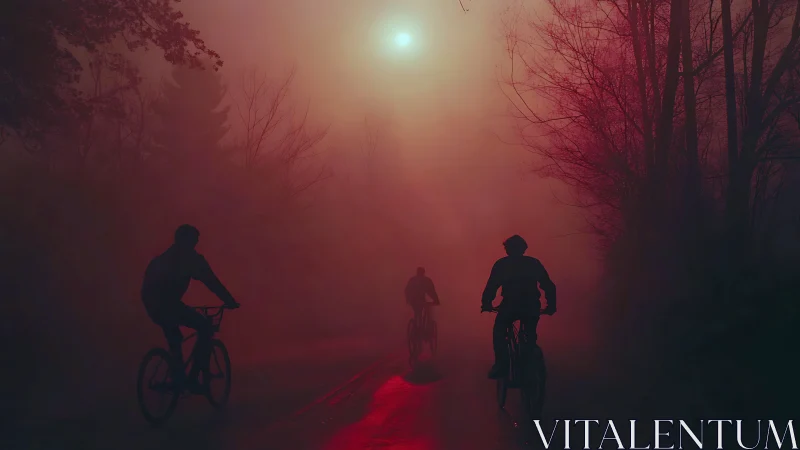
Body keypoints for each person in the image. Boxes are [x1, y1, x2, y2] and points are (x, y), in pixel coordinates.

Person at [141, 224, 240, 392]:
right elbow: (212, 282)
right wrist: (229, 301)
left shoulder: (164, 258)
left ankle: (178, 376)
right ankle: (192, 379)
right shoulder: (191, 259)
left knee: (174, 336)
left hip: (153, 304)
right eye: (194, 241)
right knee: (205, 327)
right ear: (188, 241)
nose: (195, 244)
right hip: (167, 304)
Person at [481, 235, 556, 379]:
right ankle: (531, 361)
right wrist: (551, 305)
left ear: (507, 249)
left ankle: (500, 365)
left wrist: (486, 303)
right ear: (524, 248)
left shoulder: (502, 264)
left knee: (499, 332)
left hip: (510, 305)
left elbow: (492, 286)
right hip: (531, 306)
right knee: (530, 335)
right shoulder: (534, 263)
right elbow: (548, 286)